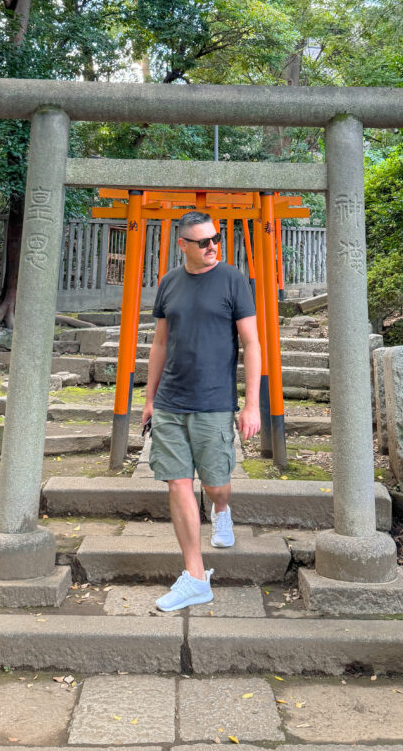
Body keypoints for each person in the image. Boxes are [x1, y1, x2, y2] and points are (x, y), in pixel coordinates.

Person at [142, 210, 261, 611]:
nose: (213, 246)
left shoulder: (232, 279)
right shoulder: (169, 283)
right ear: (183, 246)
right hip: (172, 402)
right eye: (204, 241)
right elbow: (160, 343)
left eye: (216, 239)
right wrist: (149, 398)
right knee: (177, 483)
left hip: (214, 402)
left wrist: (251, 404)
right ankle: (196, 577)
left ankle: (222, 508)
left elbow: (252, 344)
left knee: (215, 484)